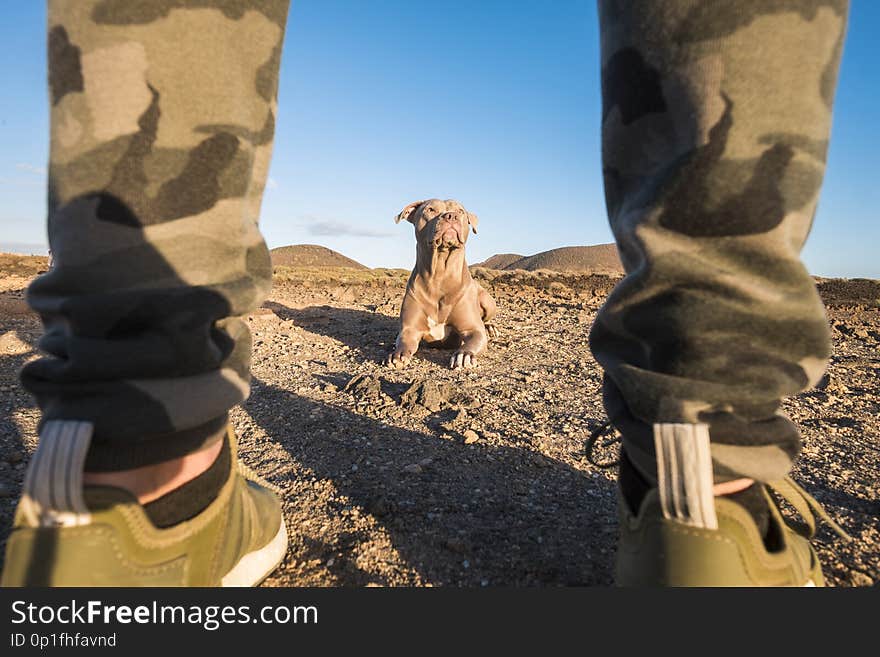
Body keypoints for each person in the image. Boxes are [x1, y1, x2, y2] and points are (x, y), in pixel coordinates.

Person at [1, 0, 850, 586]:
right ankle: (719, 505)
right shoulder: (418, 249)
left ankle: (128, 480)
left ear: (468, 231)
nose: (444, 225)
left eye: (454, 221)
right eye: (433, 217)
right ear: (416, 221)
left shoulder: (467, 262)